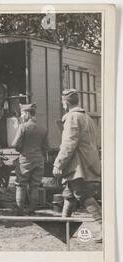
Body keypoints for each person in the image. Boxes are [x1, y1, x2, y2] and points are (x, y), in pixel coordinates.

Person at [53, 89, 102, 242]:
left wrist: (58, 163)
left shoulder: (72, 117)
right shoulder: (86, 117)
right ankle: (63, 228)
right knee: (69, 195)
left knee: (83, 195)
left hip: (78, 166)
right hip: (86, 163)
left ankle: (104, 228)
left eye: (62, 102)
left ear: (66, 103)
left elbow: (69, 143)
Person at [11, 103, 49, 215]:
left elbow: (15, 144)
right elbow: (46, 146)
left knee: (21, 184)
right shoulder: (43, 128)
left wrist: (21, 150)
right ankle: (32, 211)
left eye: (22, 113)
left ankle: (20, 211)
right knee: (35, 185)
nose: (21, 116)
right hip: (39, 160)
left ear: (27, 113)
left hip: (25, 160)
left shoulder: (23, 127)